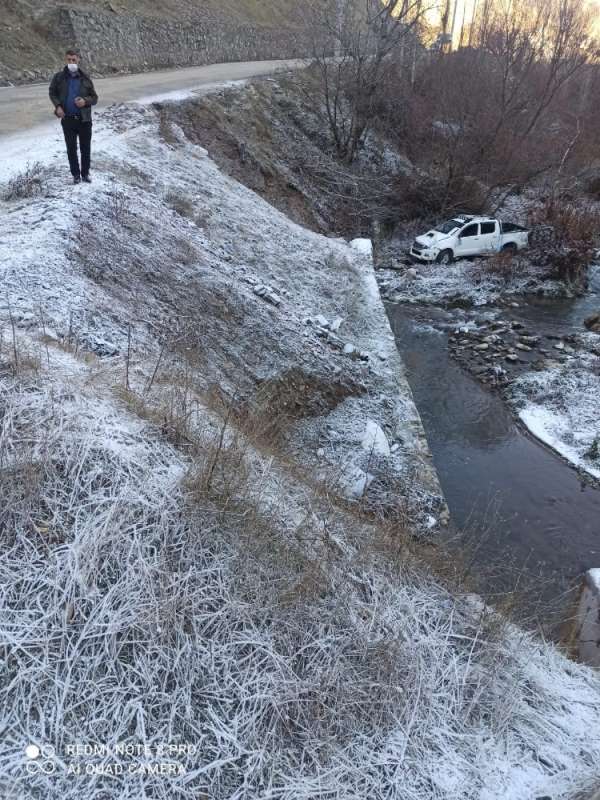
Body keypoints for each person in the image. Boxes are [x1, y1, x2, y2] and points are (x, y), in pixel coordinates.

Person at [49, 50, 98, 184]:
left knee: (85, 148)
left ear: (78, 60)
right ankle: (76, 175)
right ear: (66, 60)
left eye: (74, 60)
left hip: (84, 120)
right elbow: (52, 92)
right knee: (71, 148)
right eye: (69, 60)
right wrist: (58, 106)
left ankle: (85, 174)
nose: (71, 62)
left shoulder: (85, 78)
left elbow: (94, 98)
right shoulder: (59, 77)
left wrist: (85, 101)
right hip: (68, 119)